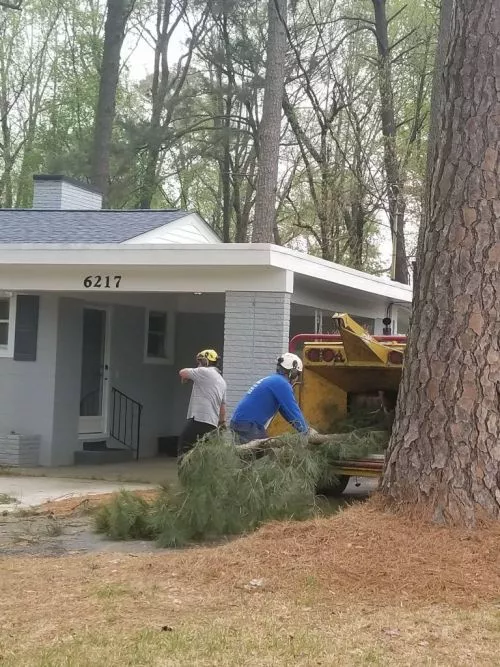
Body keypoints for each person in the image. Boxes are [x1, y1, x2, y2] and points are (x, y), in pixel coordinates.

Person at [230, 352, 313, 443]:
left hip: (240, 423)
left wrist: (302, 429)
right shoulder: (282, 384)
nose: (297, 377)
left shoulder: (274, 380)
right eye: (297, 374)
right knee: (264, 453)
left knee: (255, 452)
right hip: (248, 425)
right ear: (292, 372)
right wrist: (305, 432)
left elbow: (286, 412)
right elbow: (292, 410)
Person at [177, 349, 227, 459]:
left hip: (200, 419)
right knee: (204, 453)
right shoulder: (222, 381)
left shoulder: (204, 372)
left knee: (184, 445)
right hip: (212, 423)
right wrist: (222, 424)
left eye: (200, 361)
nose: (198, 364)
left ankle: (184, 472)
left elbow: (182, 372)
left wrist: (197, 371)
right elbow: (222, 407)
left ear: (205, 362)